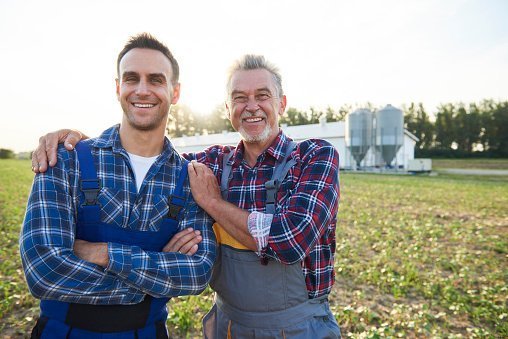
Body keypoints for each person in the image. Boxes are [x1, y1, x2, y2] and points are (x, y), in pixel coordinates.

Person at [33, 55, 341, 338]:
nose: (251, 106)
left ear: (282, 103)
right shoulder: (210, 165)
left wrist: (213, 203)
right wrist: (86, 145)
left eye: (262, 96)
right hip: (228, 326)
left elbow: (289, 242)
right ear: (227, 109)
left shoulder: (313, 157)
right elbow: (148, 153)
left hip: (298, 327)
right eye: (239, 98)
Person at [20, 33, 216, 339]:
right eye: (131, 78)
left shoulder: (190, 179)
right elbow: (44, 271)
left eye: (155, 79)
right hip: (62, 332)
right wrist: (152, 282)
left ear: (175, 92)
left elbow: (196, 274)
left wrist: (103, 254)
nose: (142, 90)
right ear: (117, 87)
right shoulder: (64, 160)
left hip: (148, 333)